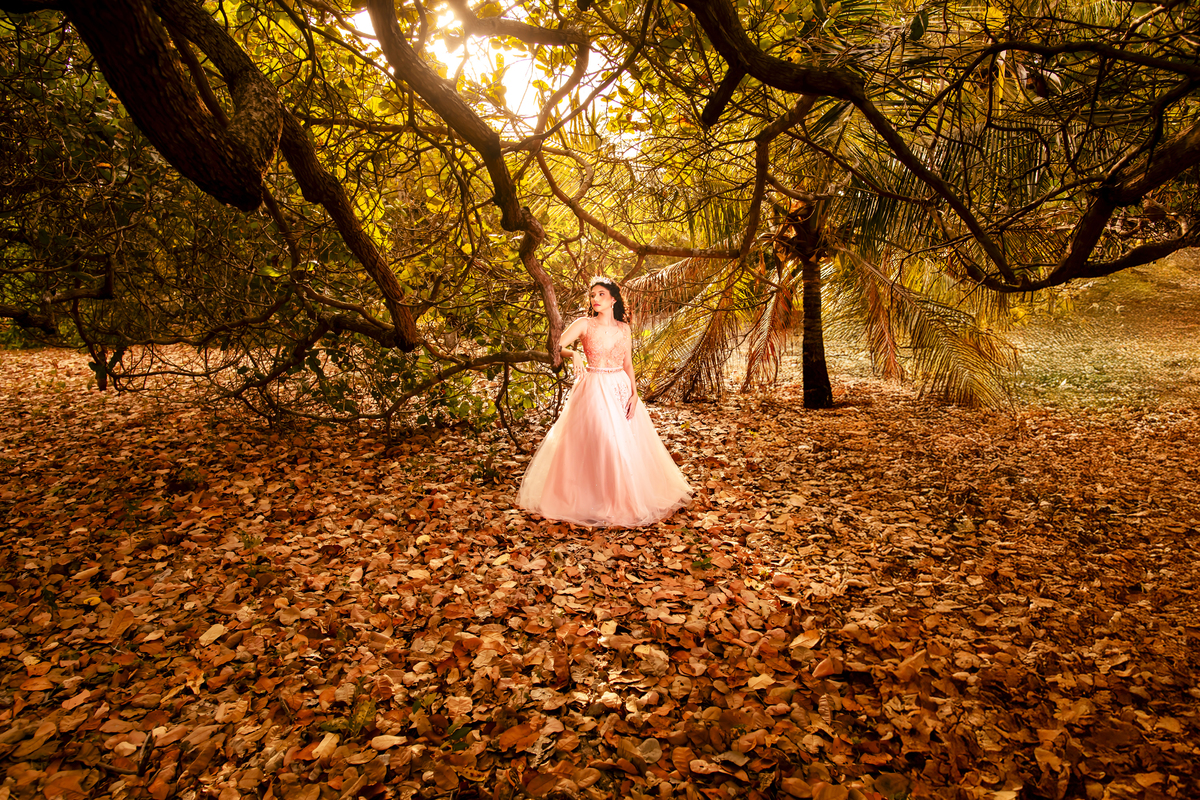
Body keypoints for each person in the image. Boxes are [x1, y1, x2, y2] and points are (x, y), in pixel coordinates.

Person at [517, 276, 691, 528]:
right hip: (594, 386)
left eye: (601, 294)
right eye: (592, 295)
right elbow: (555, 344)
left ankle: (620, 500)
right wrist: (573, 353)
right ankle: (591, 500)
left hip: (620, 386)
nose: (595, 299)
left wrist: (635, 393)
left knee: (624, 443)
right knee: (604, 439)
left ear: (613, 299)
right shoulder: (584, 324)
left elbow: (628, 363)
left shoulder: (624, 328)